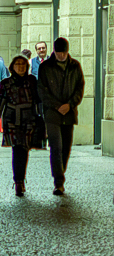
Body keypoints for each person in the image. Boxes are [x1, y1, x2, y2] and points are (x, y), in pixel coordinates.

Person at [0, 54, 43, 197]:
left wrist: (41, 119)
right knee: (17, 150)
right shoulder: (6, 83)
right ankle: (18, 180)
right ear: (12, 66)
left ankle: (20, 179)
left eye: (23, 64)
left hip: (28, 120)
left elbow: (38, 101)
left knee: (24, 150)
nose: (20, 67)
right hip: (12, 120)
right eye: (17, 64)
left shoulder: (32, 81)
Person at [37, 37, 85, 195]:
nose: (62, 56)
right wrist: (58, 106)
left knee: (66, 147)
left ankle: (61, 173)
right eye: (59, 53)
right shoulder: (45, 67)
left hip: (69, 112)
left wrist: (70, 104)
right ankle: (58, 181)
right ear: (54, 52)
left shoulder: (75, 66)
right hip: (52, 113)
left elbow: (80, 86)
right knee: (56, 147)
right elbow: (42, 91)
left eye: (64, 53)